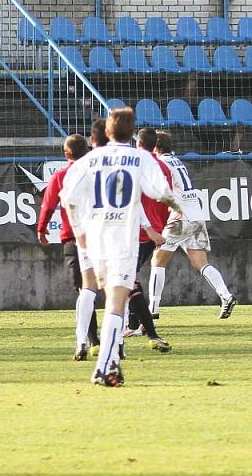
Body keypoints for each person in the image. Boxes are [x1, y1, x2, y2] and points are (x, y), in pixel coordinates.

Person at [61, 108, 179, 387]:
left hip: (94, 239)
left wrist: (79, 232)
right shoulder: (139, 158)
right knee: (116, 303)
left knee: (99, 295)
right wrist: (177, 205)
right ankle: (105, 366)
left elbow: (68, 197)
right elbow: (160, 191)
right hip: (122, 240)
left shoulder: (90, 160)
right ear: (133, 132)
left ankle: (108, 363)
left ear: (106, 132)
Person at [148, 131, 238, 319]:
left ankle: (153, 309)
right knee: (201, 263)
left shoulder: (160, 163)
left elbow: (163, 191)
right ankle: (226, 295)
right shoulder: (177, 161)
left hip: (180, 214)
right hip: (196, 213)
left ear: (156, 147)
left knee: (158, 261)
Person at [37, 133, 100, 360]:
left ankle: (86, 340)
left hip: (75, 238)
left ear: (66, 154)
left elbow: (49, 203)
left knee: (84, 290)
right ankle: (110, 343)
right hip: (104, 236)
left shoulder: (62, 175)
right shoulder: (99, 172)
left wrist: (42, 228)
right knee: (114, 289)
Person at [122, 127, 172, 351]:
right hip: (154, 234)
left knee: (125, 282)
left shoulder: (133, 165)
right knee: (128, 280)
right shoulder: (162, 166)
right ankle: (137, 326)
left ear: (138, 143)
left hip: (135, 231)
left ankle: (136, 329)